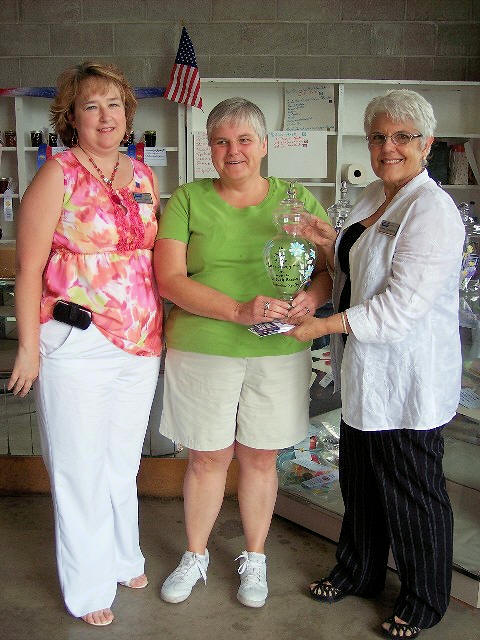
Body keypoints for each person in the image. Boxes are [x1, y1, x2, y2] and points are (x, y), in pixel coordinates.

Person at [287, 89, 464, 639]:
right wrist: (327, 243)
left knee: (412, 493)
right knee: (360, 484)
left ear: (427, 144)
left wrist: (321, 327)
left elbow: (400, 307)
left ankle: (424, 598)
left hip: (407, 379)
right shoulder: (373, 197)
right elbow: (356, 268)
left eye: (402, 137)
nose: (389, 147)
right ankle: (358, 571)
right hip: (364, 373)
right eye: (379, 136)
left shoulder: (431, 211)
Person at [154, 97, 331, 608]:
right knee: (207, 457)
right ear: (208, 148)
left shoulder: (297, 199)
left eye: (244, 139)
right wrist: (237, 310)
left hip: (278, 348)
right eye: (221, 141)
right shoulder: (188, 199)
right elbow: (169, 280)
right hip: (203, 346)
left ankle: (255, 558)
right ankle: (195, 554)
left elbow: (327, 269)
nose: (233, 151)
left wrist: (312, 299)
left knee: (260, 456)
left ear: (264, 145)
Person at [8, 62, 162, 626]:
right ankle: (88, 585)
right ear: (71, 117)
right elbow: (28, 270)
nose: (105, 116)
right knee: (80, 468)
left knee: (122, 463)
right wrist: (29, 348)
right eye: (91, 106)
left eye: (114, 104)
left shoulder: (141, 175)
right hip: (77, 340)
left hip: (140, 340)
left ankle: (123, 557)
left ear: (128, 114)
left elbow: (151, 254)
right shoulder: (58, 174)